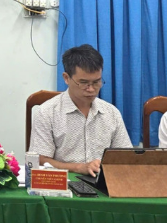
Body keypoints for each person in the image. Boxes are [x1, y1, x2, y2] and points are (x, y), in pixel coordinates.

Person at [29, 44, 132, 177]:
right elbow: (40, 160)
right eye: (83, 83)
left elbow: (125, 156)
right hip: (64, 182)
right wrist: (79, 167)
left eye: (96, 82)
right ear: (66, 78)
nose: (91, 89)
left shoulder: (111, 113)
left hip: (102, 181)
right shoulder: (47, 112)